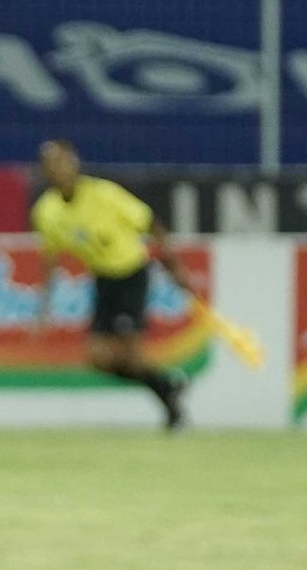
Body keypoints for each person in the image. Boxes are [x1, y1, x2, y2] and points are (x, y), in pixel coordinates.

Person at [29, 139, 194, 430]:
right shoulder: (46, 211)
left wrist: (175, 266)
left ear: (75, 164)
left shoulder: (104, 194)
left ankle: (172, 409)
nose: (58, 169)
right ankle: (167, 384)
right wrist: (44, 305)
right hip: (103, 280)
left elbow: (151, 223)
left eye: (62, 162)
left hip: (131, 274)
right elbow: (50, 259)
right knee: (98, 359)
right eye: (51, 165)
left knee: (131, 357)